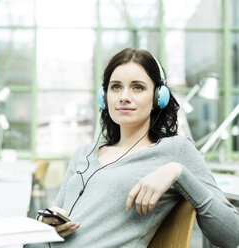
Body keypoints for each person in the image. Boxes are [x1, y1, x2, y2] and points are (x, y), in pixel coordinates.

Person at [32, 48, 239, 248]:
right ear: (104, 98)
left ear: (158, 97)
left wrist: (178, 173)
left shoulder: (177, 151)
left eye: (137, 87)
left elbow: (231, 235)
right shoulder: (83, 154)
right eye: (116, 87)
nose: (124, 96)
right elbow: (54, 215)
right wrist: (46, 221)